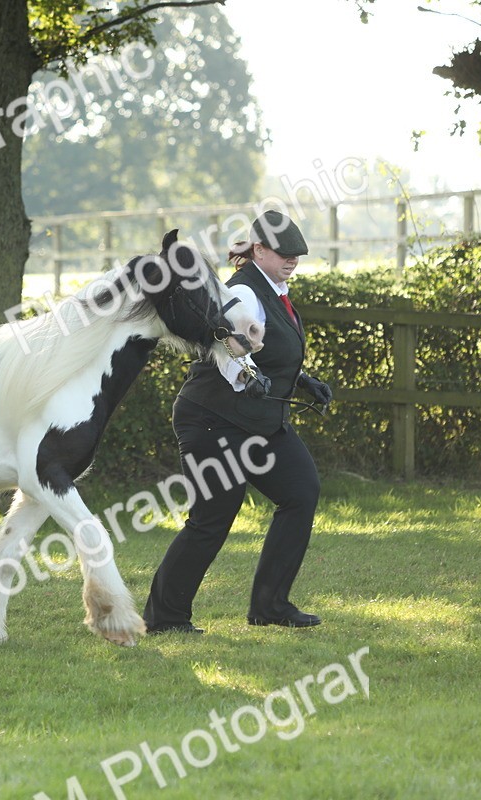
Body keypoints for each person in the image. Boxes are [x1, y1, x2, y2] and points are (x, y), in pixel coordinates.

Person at [143, 209, 333, 634]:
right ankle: (164, 618)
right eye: (284, 253)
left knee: (301, 491)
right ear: (260, 250)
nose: (292, 260)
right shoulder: (245, 293)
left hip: (261, 423)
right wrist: (247, 377)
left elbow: (267, 349)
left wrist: (301, 381)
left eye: (296, 255)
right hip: (214, 420)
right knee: (211, 521)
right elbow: (226, 343)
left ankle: (271, 605)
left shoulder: (275, 288)